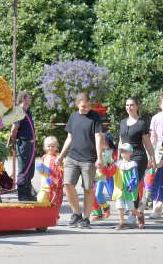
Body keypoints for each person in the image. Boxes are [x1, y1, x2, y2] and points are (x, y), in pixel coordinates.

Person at [55, 93, 104, 229]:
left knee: (88, 188)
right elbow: (69, 138)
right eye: (83, 106)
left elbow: (99, 138)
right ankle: (76, 214)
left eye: (88, 106)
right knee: (67, 184)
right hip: (72, 157)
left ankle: (86, 218)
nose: (86, 108)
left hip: (88, 159)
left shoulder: (95, 117)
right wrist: (61, 155)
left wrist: (99, 158)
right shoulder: (73, 117)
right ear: (77, 105)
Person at [118, 97, 156, 225]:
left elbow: (147, 143)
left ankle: (132, 215)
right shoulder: (122, 122)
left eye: (132, 105)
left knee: (132, 184)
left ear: (137, 106)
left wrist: (152, 157)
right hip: (125, 158)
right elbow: (121, 141)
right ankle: (138, 213)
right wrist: (118, 158)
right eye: (127, 105)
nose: (129, 107)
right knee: (125, 185)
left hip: (138, 157)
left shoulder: (141, 123)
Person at [10, 91, 37, 201]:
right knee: (24, 169)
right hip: (23, 142)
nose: (31, 99)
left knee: (30, 169)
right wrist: (16, 141)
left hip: (30, 143)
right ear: (24, 99)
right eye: (29, 98)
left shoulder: (27, 112)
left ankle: (28, 192)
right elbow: (13, 130)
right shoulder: (19, 111)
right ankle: (22, 194)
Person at [112, 143, 145, 230]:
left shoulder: (133, 164)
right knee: (119, 206)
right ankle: (121, 222)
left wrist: (131, 184)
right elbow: (111, 172)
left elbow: (134, 177)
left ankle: (139, 215)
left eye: (125, 151)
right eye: (122, 151)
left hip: (129, 189)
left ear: (131, 152)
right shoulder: (117, 163)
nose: (123, 152)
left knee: (130, 207)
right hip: (119, 188)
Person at [91, 133, 117, 221]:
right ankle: (97, 212)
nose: (103, 143)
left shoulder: (108, 153)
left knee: (103, 193)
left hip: (103, 175)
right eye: (101, 142)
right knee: (92, 194)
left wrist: (108, 169)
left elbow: (113, 162)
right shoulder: (93, 151)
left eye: (105, 141)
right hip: (92, 175)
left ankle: (106, 207)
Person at [35, 136, 64, 211]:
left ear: (56, 146)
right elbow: (41, 172)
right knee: (40, 199)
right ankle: (43, 215)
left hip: (55, 186)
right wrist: (40, 168)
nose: (50, 148)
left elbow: (63, 169)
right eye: (48, 146)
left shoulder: (59, 157)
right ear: (45, 147)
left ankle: (53, 217)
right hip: (45, 185)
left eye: (53, 146)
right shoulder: (44, 157)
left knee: (54, 203)